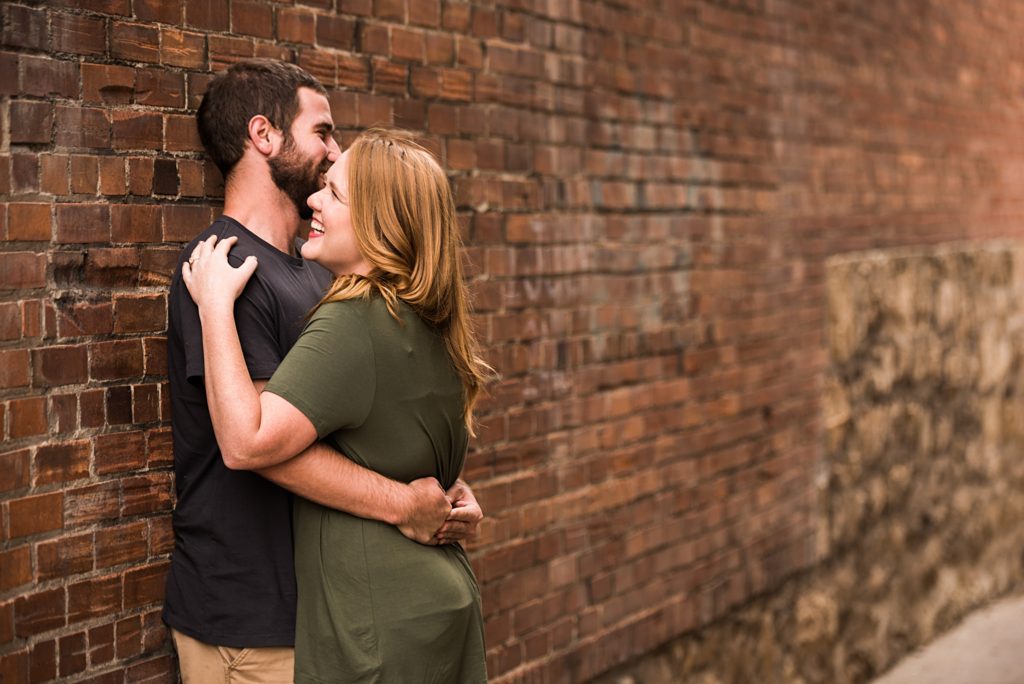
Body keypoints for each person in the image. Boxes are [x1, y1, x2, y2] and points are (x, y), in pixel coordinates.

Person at [163, 61, 484, 683]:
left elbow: (362, 424)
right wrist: (406, 502)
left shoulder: (332, 282)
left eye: (336, 189)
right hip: (250, 612)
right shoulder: (219, 273)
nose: (333, 154)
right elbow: (250, 441)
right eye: (324, 132)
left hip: (333, 608)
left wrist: (441, 499)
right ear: (264, 135)